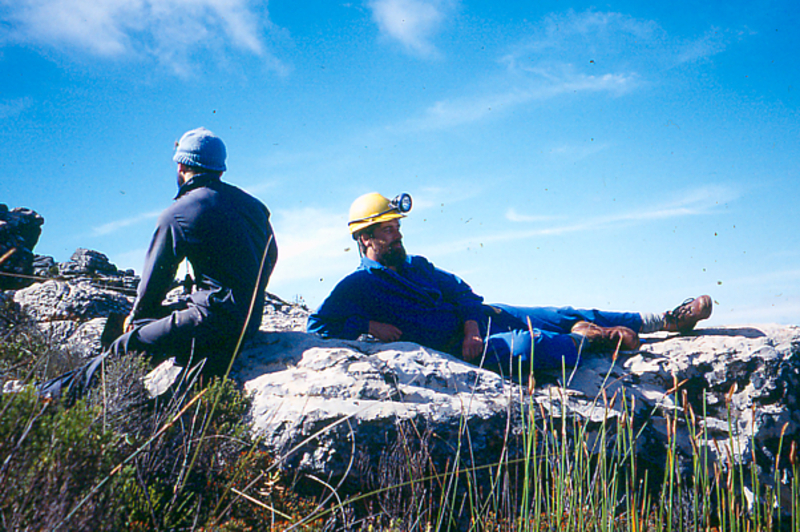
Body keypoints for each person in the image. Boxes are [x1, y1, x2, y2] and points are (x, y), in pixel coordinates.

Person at [306, 192, 712, 374]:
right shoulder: (356, 287)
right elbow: (316, 327)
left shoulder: (418, 266)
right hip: (455, 349)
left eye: (396, 227)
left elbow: (464, 295)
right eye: (388, 230)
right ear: (365, 239)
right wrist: (368, 327)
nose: (397, 235)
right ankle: (596, 339)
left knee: (559, 314)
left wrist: (470, 326)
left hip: (478, 325)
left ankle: (665, 319)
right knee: (528, 346)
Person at [41, 127, 278, 399]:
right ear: (220, 170)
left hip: (211, 321)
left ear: (181, 166)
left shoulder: (178, 213)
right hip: (249, 320)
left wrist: (138, 318)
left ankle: (50, 398)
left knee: (125, 345)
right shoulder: (254, 206)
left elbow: (155, 282)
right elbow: (271, 256)